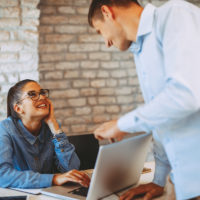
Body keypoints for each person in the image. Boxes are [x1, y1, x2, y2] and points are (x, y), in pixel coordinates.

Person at [88, 0, 200, 199]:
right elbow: (165, 118)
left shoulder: (175, 14)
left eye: (99, 31)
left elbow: (186, 95)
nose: (106, 42)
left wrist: (122, 125)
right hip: (183, 181)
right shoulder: (140, 50)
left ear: (107, 12)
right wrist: (158, 179)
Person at [0, 79, 90, 188]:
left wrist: (54, 125)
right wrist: (53, 179)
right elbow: (2, 175)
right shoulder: (4, 130)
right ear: (18, 108)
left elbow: (72, 168)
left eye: (42, 93)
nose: (42, 97)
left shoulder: (51, 128)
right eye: (32, 94)